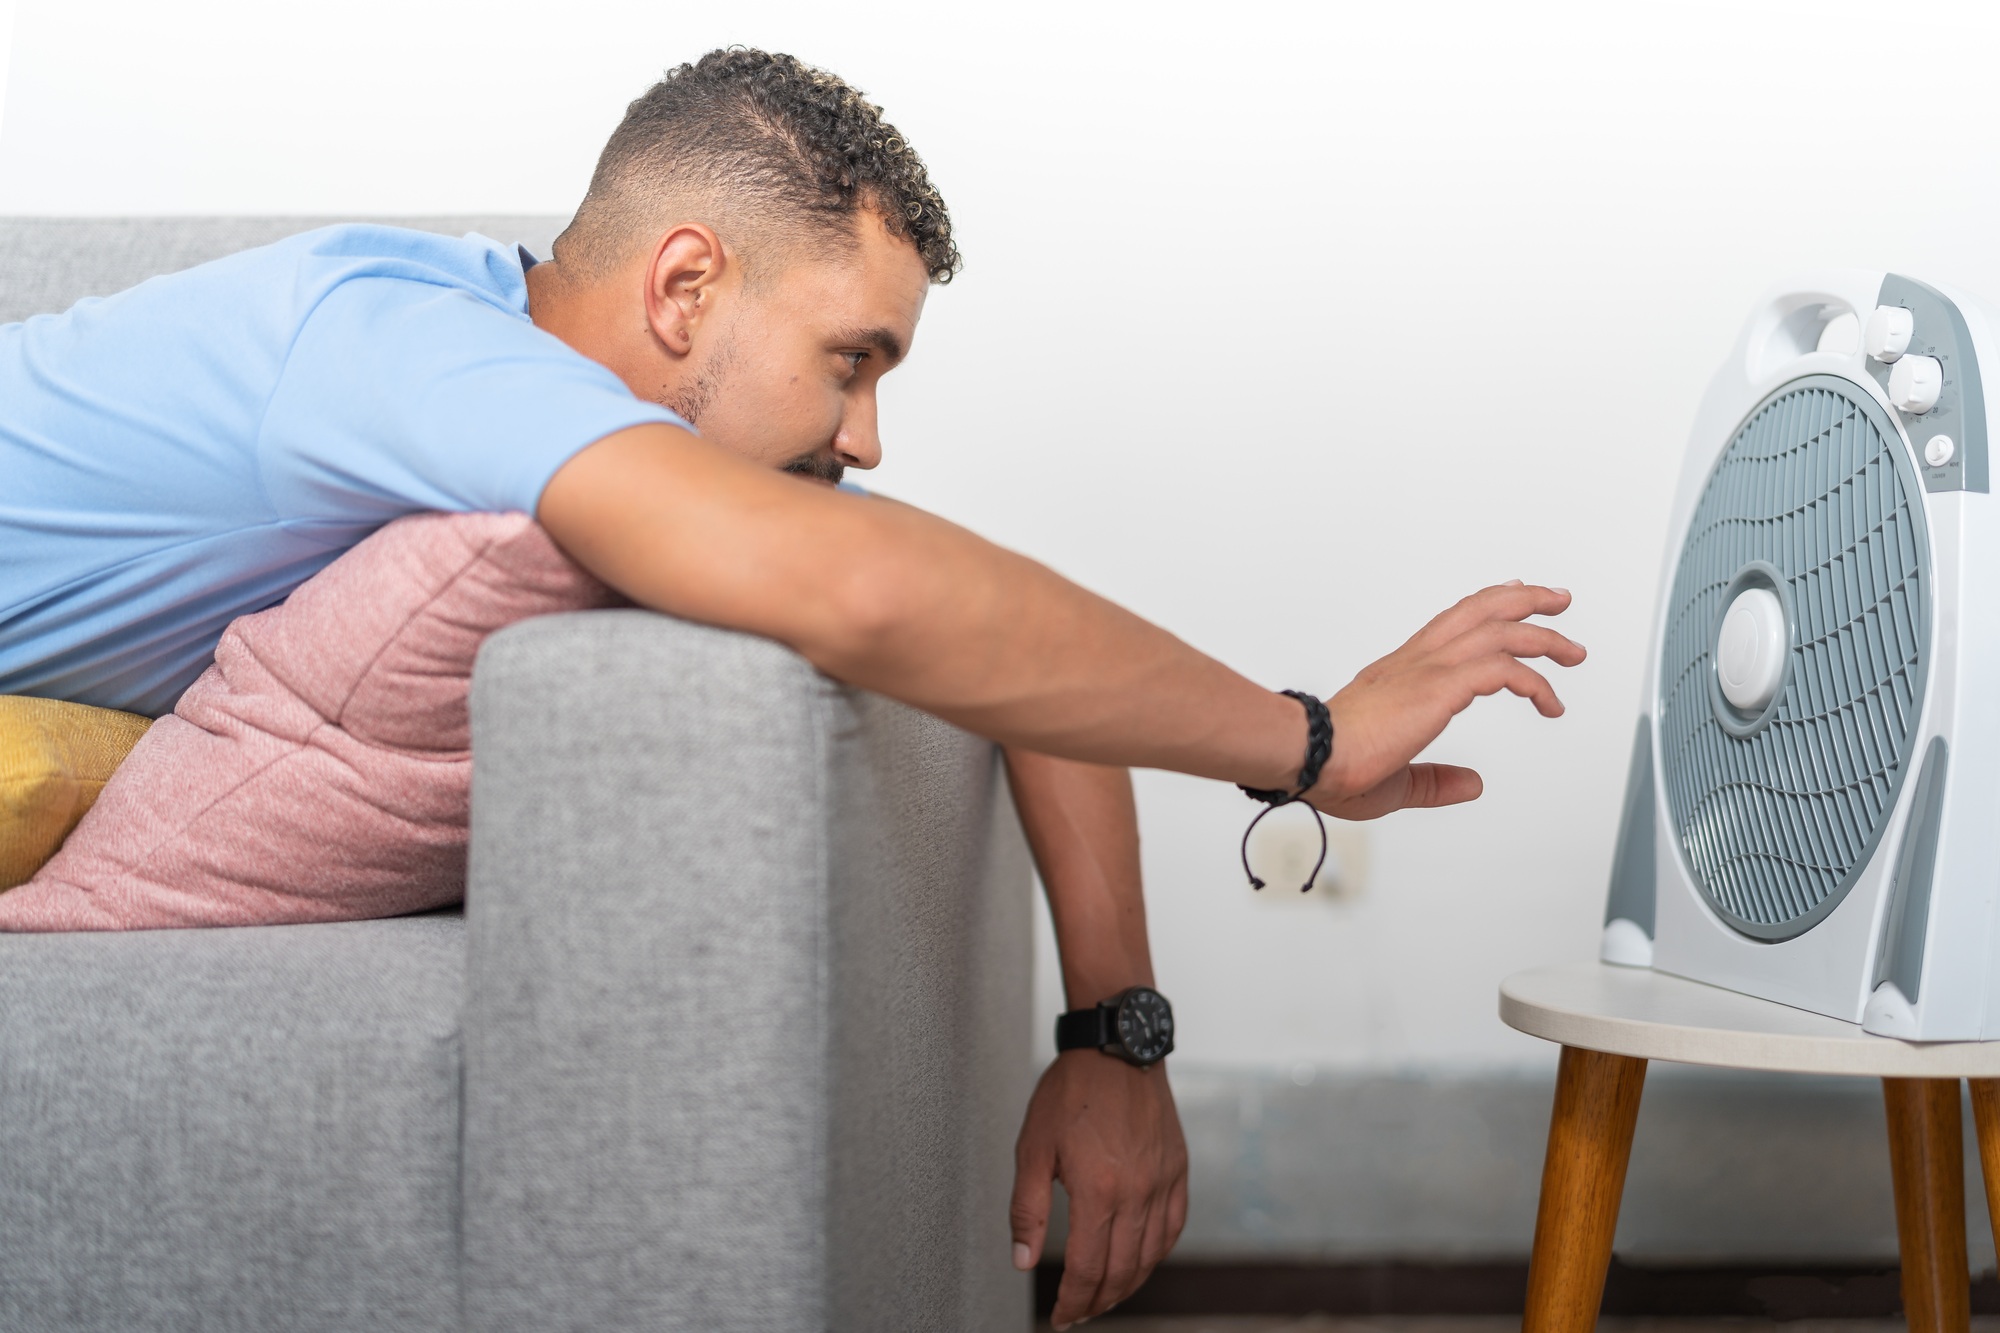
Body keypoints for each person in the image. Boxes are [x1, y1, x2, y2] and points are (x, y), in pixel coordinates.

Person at [0, 48, 1582, 1329]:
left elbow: (975, 616)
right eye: (854, 360)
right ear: (685, 290)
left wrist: (1118, 1033)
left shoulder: (514, 381)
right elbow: (880, 594)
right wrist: (1312, 739)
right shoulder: (424, 359)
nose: (871, 434)